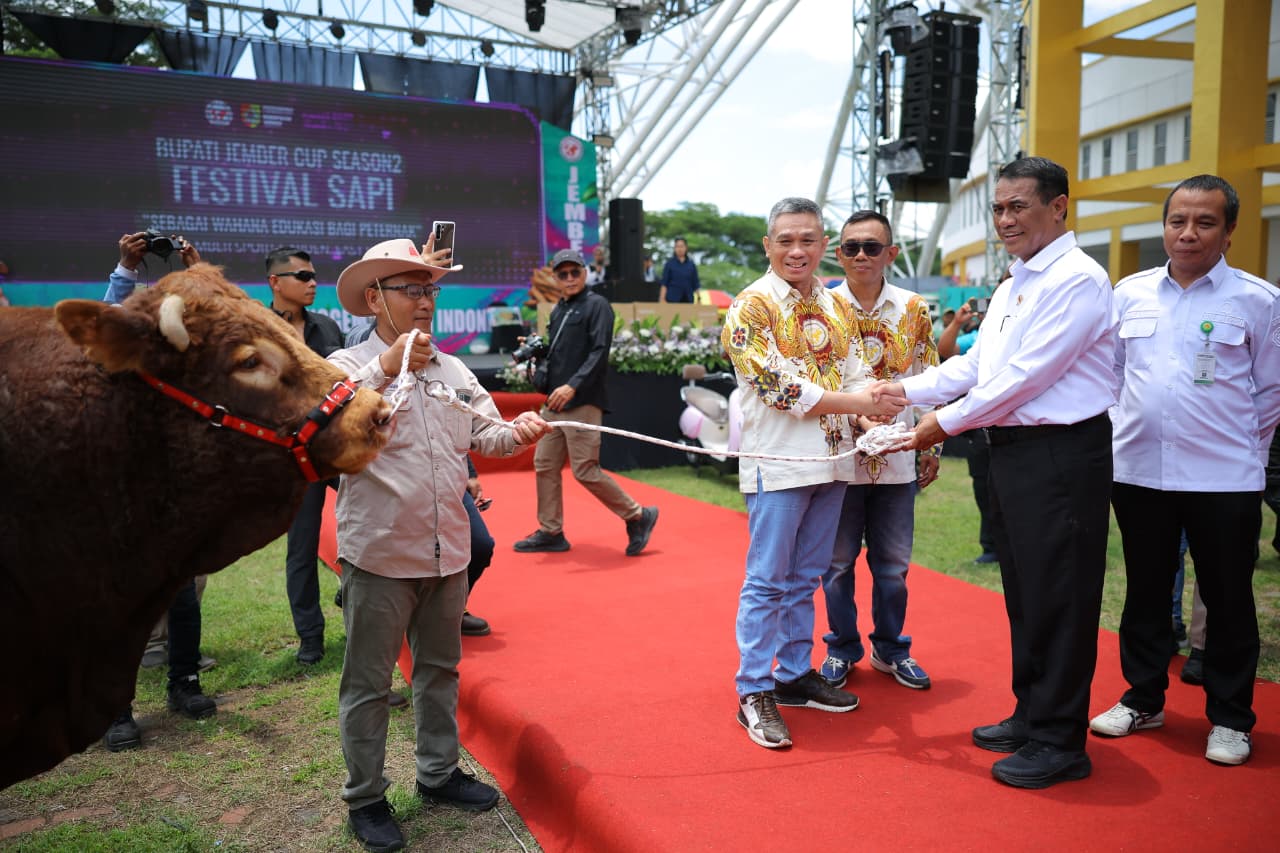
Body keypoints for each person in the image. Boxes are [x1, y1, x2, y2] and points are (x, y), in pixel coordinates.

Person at [888, 157, 1117, 788]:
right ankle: (1034, 713)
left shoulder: (1077, 279)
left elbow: (1024, 379)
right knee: (1025, 589)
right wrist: (902, 390)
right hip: (1013, 450)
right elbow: (975, 365)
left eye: (1019, 206)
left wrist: (941, 423)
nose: (1005, 219)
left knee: (1061, 595)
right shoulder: (1018, 279)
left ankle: (1060, 741)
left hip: (1062, 453)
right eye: (998, 208)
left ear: (1059, 207)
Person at [329, 237, 549, 852]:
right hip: (379, 554)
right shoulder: (347, 365)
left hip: (447, 552)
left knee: (439, 671)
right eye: (411, 289)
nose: (426, 300)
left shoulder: (453, 370)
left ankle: (437, 773)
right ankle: (366, 799)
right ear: (375, 299)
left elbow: (489, 438)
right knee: (369, 683)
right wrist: (387, 366)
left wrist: (521, 432)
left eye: (431, 289)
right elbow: (328, 421)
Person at [1088, 174, 1280, 767]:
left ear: (1229, 232)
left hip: (1224, 480)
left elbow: (1270, 393)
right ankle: (1143, 698)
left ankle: (1230, 719)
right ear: (1164, 226)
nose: (1188, 233)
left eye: (1205, 223)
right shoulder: (1130, 293)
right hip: (1140, 472)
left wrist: (1240, 451)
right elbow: (1111, 377)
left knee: (1227, 599)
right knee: (1144, 592)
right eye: (1178, 221)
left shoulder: (1258, 300)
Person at [720, 197, 908, 750]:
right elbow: (776, 387)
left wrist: (873, 401)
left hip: (834, 463)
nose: (797, 251)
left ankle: (793, 674)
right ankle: (754, 690)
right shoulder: (750, 307)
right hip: (778, 464)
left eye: (808, 240)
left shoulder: (832, 305)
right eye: (786, 241)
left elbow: (854, 370)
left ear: (824, 245)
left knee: (807, 578)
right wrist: (857, 400)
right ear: (768, 245)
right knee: (767, 581)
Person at [101, 232, 218, 751]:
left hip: (175, 494)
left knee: (183, 595)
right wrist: (126, 269)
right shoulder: (114, 360)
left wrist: (197, 276)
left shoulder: (188, 359)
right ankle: (114, 709)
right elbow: (104, 323)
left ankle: (184, 684)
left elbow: (218, 329)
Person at [820, 210, 941, 692]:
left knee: (893, 565)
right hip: (839, 457)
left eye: (873, 246)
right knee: (836, 565)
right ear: (839, 253)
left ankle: (891, 649)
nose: (862, 255)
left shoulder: (914, 307)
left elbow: (930, 376)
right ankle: (841, 648)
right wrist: (858, 416)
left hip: (899, 454)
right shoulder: (821, 308)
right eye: (851, 247)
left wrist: (937, 440)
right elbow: (819, 382)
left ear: (891, 253)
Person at [512, 248, 659, 557]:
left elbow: (599, 352)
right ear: (555, 278)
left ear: (585, 273)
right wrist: (538, 354)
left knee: (585, 470)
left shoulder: (598, 305)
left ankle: (637, 514)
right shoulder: (559, 309)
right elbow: (562, 352)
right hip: (554, 402)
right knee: (544, 463)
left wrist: (572, 386)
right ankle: (551, 531)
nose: (569, 278)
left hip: (582, 400)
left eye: (574, 272)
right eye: (562, 274)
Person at [265, 246, 345, 664]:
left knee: (367, 528)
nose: (313, 282)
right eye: (302, 276)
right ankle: (310, 636)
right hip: (292, 456)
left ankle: (354, 598)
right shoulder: (256, 331)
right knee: (301, 547)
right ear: (275, 282)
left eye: (314, 276)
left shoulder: (328, 328)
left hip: (336, 448)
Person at [660, 236, 700, 303]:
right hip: (672, 300)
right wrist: (662, 299)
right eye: (677, 246)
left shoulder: (691, 265)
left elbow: (696, 283)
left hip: (688, 299)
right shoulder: (669, 264)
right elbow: (664, 283)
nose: (680, 249)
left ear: (686, 248)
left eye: (681, 246)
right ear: (674, 248)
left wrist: (699, 299)